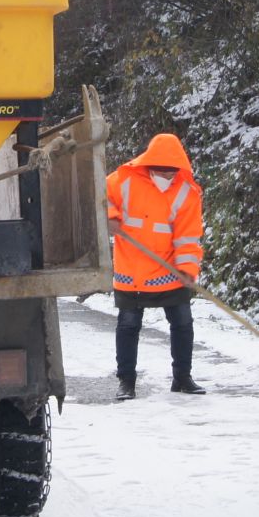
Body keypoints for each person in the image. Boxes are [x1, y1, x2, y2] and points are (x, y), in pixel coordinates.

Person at [105, 133, 206, 400]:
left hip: (169, 272)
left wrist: (187, 268)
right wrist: (111, 217)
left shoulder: (186, 192)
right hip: (132, 270)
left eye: (171, 171)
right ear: (150, 164)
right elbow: (101, 195)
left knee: (182, 322)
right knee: (128, 325)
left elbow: (188, 236)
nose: (167, 175)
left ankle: (182, 378)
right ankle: (126, 382)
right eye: (162, 170)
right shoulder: (124, 179)